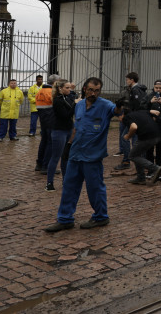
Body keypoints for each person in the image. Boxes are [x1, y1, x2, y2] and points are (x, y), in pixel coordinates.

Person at [45, 77, 122, 232]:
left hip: (93, 156)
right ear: (85, 89)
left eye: (97, 90)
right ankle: (65, 219)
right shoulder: (79, 105)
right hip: (76, 153)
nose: (93, 93)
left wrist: (121, 107)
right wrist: (68, 146)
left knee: (95, 188)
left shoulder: (105, 106)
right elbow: (76, 127)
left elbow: (117, 112)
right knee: (69, 187)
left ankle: (101, 217)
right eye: (91, 90)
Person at [47, 79, 77, 191]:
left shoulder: (67, 96)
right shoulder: (57, 100)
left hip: (68, 129)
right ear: (60, 88)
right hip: (59, 130)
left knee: (66, 157)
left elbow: (72, 98)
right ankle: (49, 183)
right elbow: (66, 114)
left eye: (70, 87)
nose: (69, 90)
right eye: (67, 88)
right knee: (56, 157)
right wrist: (75, 104)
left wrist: (73, 93)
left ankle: (66, 181)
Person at [121, 108, 161, 185]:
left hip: (147, 137)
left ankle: (154, 168)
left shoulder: (126, 117)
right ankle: (141, 177)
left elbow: (134, 127)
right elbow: (157, 112)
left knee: (132, 156)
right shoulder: (141, 111)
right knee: (137, 154)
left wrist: (128, 136)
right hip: (157, 135)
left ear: (122, 114)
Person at [116, 72, 147, 170]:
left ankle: (127, 161)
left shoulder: (135, 90)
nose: (127, 81)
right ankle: (139, 162)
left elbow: (136, 105)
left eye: (127, 79)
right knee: (135, 140)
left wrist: (129, 114)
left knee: (125, 138)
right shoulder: (140, 89)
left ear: (132, 80)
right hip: (137, 118)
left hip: (134, 119)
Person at [35, 74, 58, 173]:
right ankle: (46, 166)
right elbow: (57, 106)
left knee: (43, 141)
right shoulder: (52, 92)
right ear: (55, 82)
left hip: (43, 119)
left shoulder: (40, 91)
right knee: (50, 143)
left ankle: (39, 164)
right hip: (51, 119)